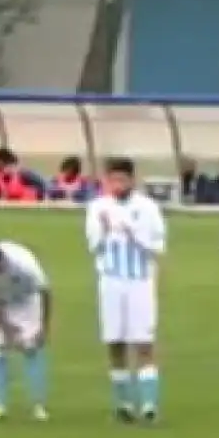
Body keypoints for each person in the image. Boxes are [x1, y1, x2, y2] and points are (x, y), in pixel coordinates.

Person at [87, 157, 168, 423]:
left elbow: (158, 248)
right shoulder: (98, 207)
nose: (117, 184)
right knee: (114, 342)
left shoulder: (147, 208)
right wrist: (104, 229)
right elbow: (93, 246)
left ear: (132, 180)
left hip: (139, 282)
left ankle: (148, 403)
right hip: (110, 282)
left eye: (122, 179)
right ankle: (122, 403)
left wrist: (134, 234)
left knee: (143, 341)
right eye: (112, 179)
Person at [0, 239, 53, 422]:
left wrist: (43, 328)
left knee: (32, 350)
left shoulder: (25, 265)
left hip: (27, 300)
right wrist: (6, 328)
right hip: (1, 303)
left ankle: (38, 405)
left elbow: (45, 292)